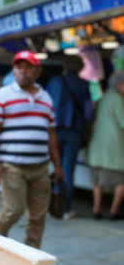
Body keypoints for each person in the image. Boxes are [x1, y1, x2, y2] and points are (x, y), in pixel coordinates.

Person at [0, 50, 64, 249]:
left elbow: (51, 134)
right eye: (18, 67)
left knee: (38, 215)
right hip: (12, 166)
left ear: (37, 70)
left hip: (41, 167)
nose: (22, 71)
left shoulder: (46, 97)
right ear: (13, 71)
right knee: (14, 210)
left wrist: (57, 164)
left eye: (27, 67)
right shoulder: (3, 95)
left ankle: (32, 253)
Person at [46, 56, 92, 219]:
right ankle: (65, 209)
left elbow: (46, 105)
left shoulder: (54, 81)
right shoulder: (85, 85)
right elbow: (88, 113)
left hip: (54, 131)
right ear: (80, 67)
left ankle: (51, 205)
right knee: (68, 170)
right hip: (75, 132)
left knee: (54, 167)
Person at [87, 71, 124, 220]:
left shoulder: (102, 96)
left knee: (98, 180)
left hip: (97, 146)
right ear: (119, 84)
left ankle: (96, 209)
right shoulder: (118, 99)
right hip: (114, 147)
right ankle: (113, 211)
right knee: (122, 180)